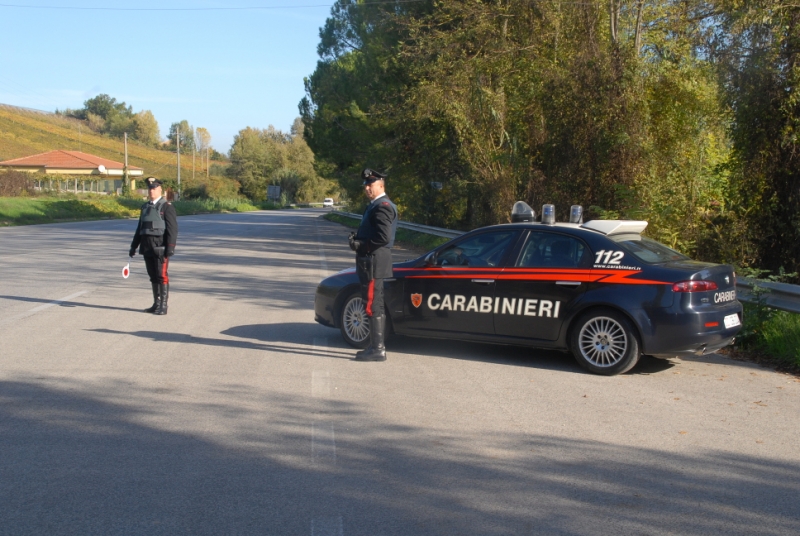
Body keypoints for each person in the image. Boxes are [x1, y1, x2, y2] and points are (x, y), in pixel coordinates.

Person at [348, 168, 398, 362]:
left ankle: (377, 348)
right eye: (366, 185)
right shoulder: (374, 205)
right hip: (371, 261)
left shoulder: (383, 205)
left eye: (371, 184)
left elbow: (384, 237)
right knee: (372, 303)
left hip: (374, 262)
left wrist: (362, 244)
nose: (367, 188)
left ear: (381, 185)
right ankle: (374, 346)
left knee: (372, 304)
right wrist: (358, 238)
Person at [129, 177, 178, 315]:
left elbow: (172, 229)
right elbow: (140, 229)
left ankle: (163, 305)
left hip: (160, 247)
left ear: (160, 189)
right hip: (147, 247)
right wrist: (134, 246)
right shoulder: (145, 207)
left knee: (161, 275)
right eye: (150, 188)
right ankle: (156, 304)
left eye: (154, 188)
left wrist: (170, 247)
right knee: (152, 276)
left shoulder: (166, 207)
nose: (151, 191)